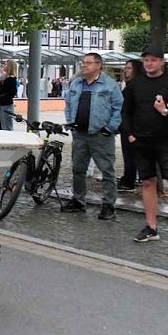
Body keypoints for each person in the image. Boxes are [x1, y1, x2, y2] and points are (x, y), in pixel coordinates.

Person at [123, 45, 168, 249]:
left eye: (153, 60)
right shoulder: (135, 84)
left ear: (162, 62)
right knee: (147, 182)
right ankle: (151, 227)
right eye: (146, 60)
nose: (149, 63)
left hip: (166, 140)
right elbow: (125, 111)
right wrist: (130, 135)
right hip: (141, 140)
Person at [62, 52, 124, 219]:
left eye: (88, 63)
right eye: (83, 62)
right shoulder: (76, 83)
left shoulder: (110, 85)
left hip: (100, 136)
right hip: (80, 135)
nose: (84, 65)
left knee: (107, 171)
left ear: (99, 65)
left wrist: (109, 128)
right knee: (78, 169)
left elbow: (119, 109)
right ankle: (78, 200)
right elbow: (68, 105)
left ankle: (108, 205)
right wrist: (70, 122)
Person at [117, 60, 145, 191]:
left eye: (129, 68)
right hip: (129, 125)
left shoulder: (134, 86)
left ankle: (129, 180)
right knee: (130, 155)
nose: (125, 70)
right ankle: (129, 177)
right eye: (125, 68)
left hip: (131, 126)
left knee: (130, 155)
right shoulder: (130, 85)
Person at [0, 59, 19, 131]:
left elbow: (11, 93)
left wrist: (0, 96)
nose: (4, 66)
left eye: (5, 64)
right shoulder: (5, 78)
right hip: (2, 104)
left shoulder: (11, 79)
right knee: (3, 125)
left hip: (6, 105)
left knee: (7, 126)